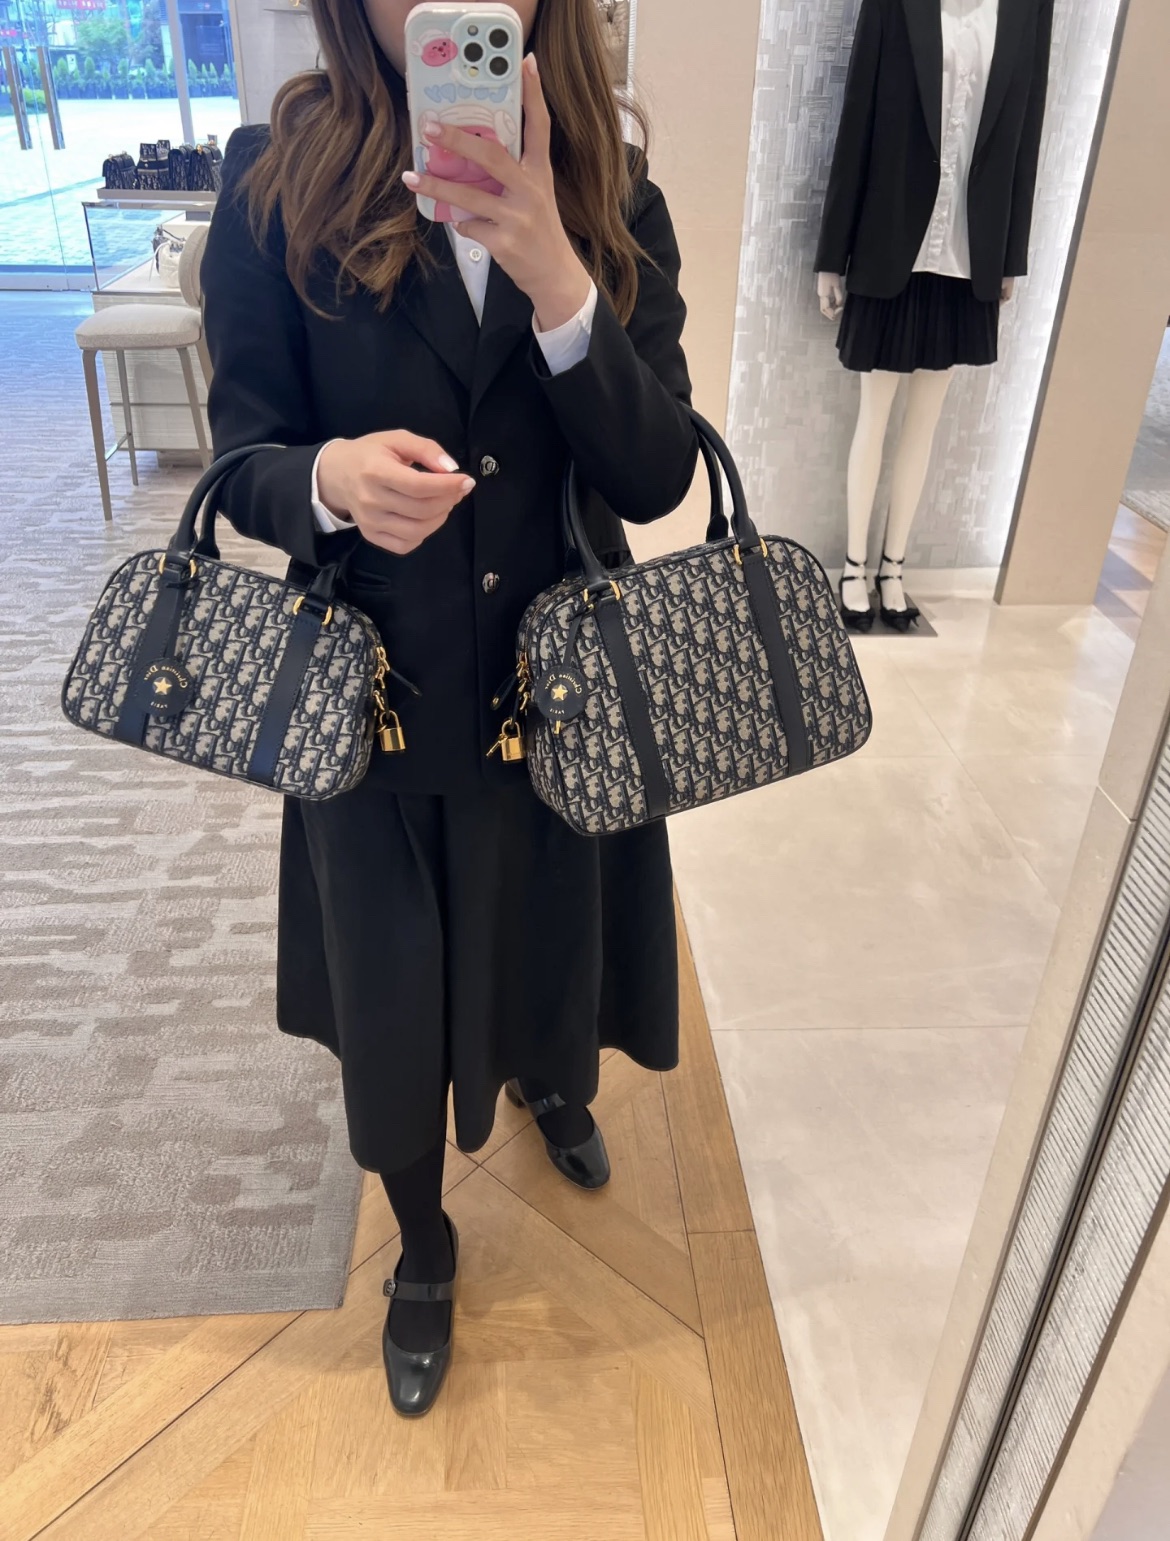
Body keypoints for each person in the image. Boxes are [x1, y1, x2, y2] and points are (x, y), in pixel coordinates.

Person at [201, 0, 698, 1418]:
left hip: (563, 694)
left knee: (551, 937)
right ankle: (420, 1242)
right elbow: (243, 459)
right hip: (376, 699)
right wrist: (327, 481)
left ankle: (550, 1079)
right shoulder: (275, 183)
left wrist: (557, 279)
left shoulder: (612, 189)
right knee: (395, 999)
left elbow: (656, 474)